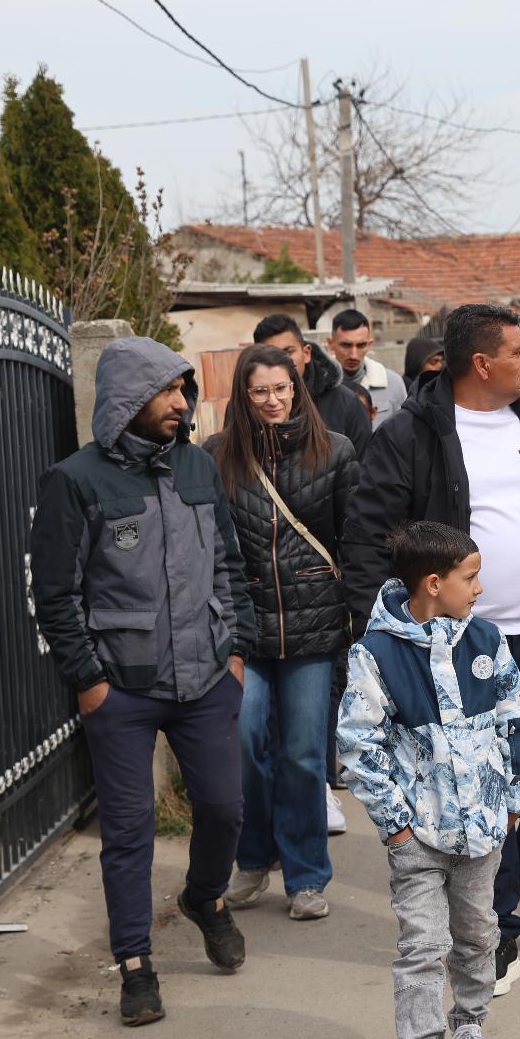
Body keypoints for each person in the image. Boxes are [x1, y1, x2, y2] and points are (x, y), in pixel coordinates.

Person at [343, 304, 520, 995]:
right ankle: (494, 933)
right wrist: (389, 633)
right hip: (457, 646)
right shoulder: (412, 433)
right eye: (519, 352)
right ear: (481, 363)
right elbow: (367, 536)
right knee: (481, 784)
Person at [29, 337, 256, 1027]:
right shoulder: (75, 480)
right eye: (168, 391)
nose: (182, 403)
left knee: (224, 808)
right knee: (128, 832)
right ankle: (135, 964)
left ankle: (205, 897)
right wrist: (89, 679)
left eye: (184, 390)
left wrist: (235, 651)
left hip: (206, 678)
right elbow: (56, 594)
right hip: (121, 688)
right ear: (130, 398)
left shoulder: (196, 464)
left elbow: (227, 562)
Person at [338, 521, 520, 1039]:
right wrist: (395, 823)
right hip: (418, 837)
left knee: (478, 934)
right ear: (433, 583)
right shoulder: (375, 654)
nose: (479, 588)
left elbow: (517, 717)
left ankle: (469, 1028)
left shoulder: (488, 641)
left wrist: (516, 798)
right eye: (469, 578)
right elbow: (358, 743)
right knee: (422, 945)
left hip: (484, 831)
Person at [205, 344, 358, 922]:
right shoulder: (217, 455)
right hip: (244, 626)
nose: (272, 401)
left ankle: (306, 876)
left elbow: (353, 537)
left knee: (303, 753)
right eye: (260, 391)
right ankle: (253, 859)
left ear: (297, 388)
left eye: (281, 388)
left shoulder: (334, 451)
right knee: (244, 744)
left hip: (313, 624)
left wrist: (359, 615)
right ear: (243, 397)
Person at [253, 313, 371, 460]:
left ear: (306, 353)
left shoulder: (346, 403)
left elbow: (365, 466)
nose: (280, 362)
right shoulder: (245, 407)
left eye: (288, 352)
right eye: (271, 355)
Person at [327, 308, 408, 427]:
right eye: (346, 345)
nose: (353, 355)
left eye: (361, 345)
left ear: (369, 345)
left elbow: (404, 429)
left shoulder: (393, 384)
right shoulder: (318, 387)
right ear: (330, 344)